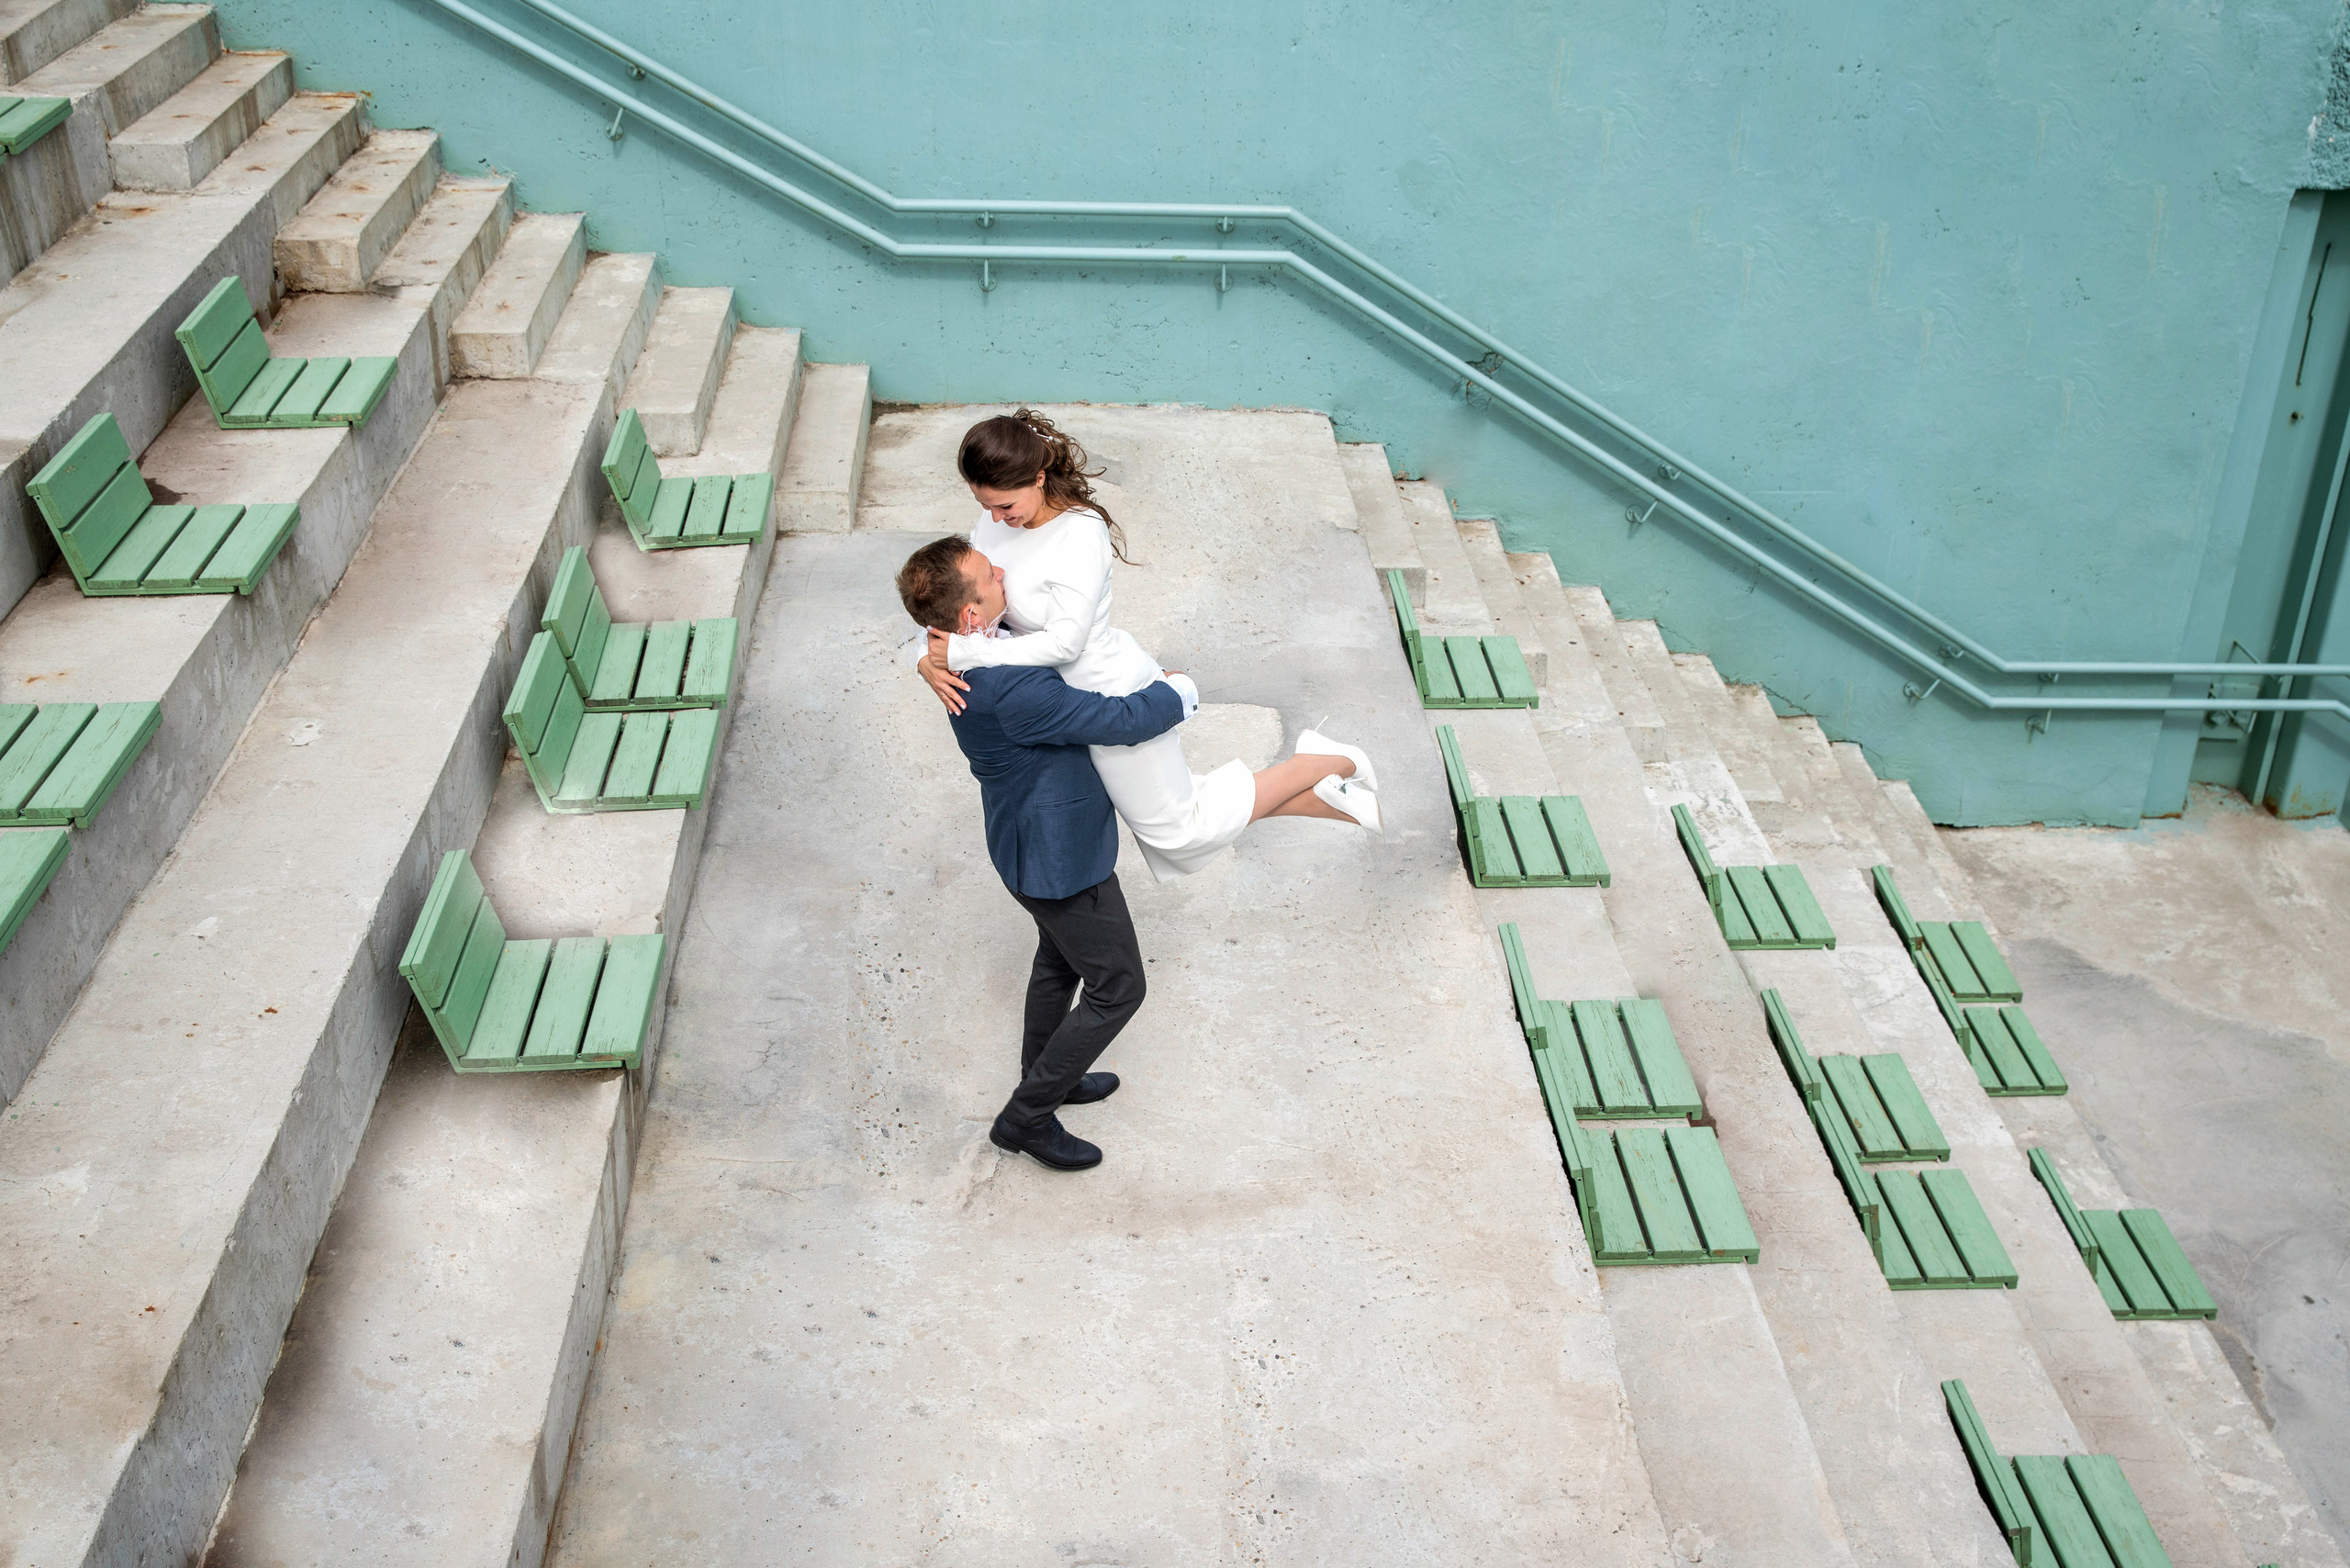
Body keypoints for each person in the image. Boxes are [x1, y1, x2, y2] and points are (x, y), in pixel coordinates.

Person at [915, 409, 1381, 873]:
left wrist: (966, 652)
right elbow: (956, 595)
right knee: (1169, 820)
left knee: (1176, 831)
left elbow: (1064, 645)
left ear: (1038, 478)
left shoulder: (1079, 533)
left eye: (1005, 506)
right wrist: (926, 655)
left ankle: (1322, 762)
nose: (996, 518)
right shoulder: (995, 524)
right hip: (1051, 702)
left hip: (1104, 688)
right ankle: (1329, 799)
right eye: (985, 507)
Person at [896, 535, 1224, 1170]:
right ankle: (1027, 1118)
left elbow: (952, 633)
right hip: (1059, 860)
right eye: (989, 574)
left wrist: (921, 657)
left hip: (1024, 844)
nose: (1001, 570)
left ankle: (1047, 1074)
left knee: (1060, 965)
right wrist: (1179, 689)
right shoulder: (1010, 688)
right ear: (971, 616)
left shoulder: (959, 648)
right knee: (1119, 986)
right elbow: (1121, 720)